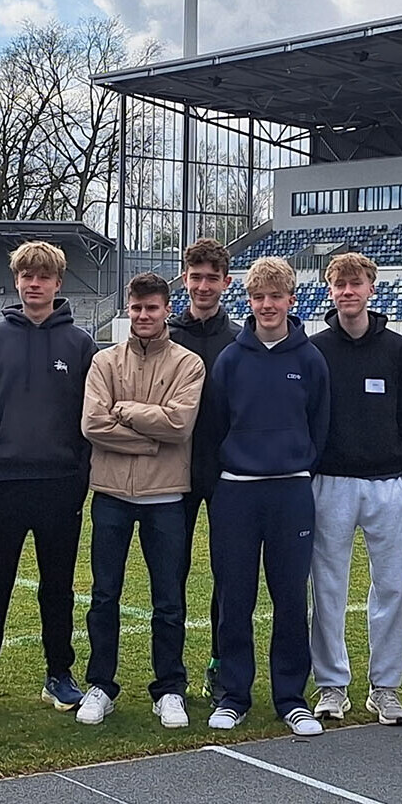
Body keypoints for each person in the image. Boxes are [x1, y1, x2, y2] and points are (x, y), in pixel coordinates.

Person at [0, 241, 96, 716]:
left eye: (43, 277)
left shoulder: (80, 344)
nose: (34, 284)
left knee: (58, 587)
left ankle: (59, 675)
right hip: (1, 486)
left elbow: (89, 420)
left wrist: (78, 478)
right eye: (26, 276)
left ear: (58, 283)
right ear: (16, 281)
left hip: (59, 485)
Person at [208, 256, 330, 737]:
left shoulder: (309, 359)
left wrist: (297, 464)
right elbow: (215, 423)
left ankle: (291, 698)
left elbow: (319, 424)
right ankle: (234, 695)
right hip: (237, 493)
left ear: (291, 300)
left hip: (291, 492)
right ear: (249, 301)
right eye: (258, 297)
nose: (267, 305)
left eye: (276, 297)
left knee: (290, 596)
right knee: (234, 596)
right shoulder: (231, 359)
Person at [77, 272, 206, 728]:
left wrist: (127, 411)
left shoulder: (188, 363)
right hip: (111, 493)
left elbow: (180, 425)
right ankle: (101, 685)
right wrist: (151, 441)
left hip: (166, 497)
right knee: (103, 595)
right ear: (128, 309)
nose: (144, 315)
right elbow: (92, 424)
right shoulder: (104, 361)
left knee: (168, 600)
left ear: (167, 310)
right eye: (137, 308)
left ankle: (169, 688)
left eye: (152, 307)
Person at [308, 252, 402, 726]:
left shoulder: (398, 350)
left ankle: (385, 687)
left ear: (371, 289)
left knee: (392, 587)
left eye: (355, 284)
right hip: (331, 482)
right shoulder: (315, 349)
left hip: (388, 484)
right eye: (340, 285)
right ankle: (332, 685)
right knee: (328, 587)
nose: (347, 292)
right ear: (330, 291)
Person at [166, 238, 241, 706]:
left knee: (227, 574)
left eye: (212, 278)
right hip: (172, 471)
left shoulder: (240, 338)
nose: (204, 286)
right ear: (185, 280)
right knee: (171, 572)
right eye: (196, 277)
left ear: (226, 282)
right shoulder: (167, 336)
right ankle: (170, 673)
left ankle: (220, 664)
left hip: (227, 472)